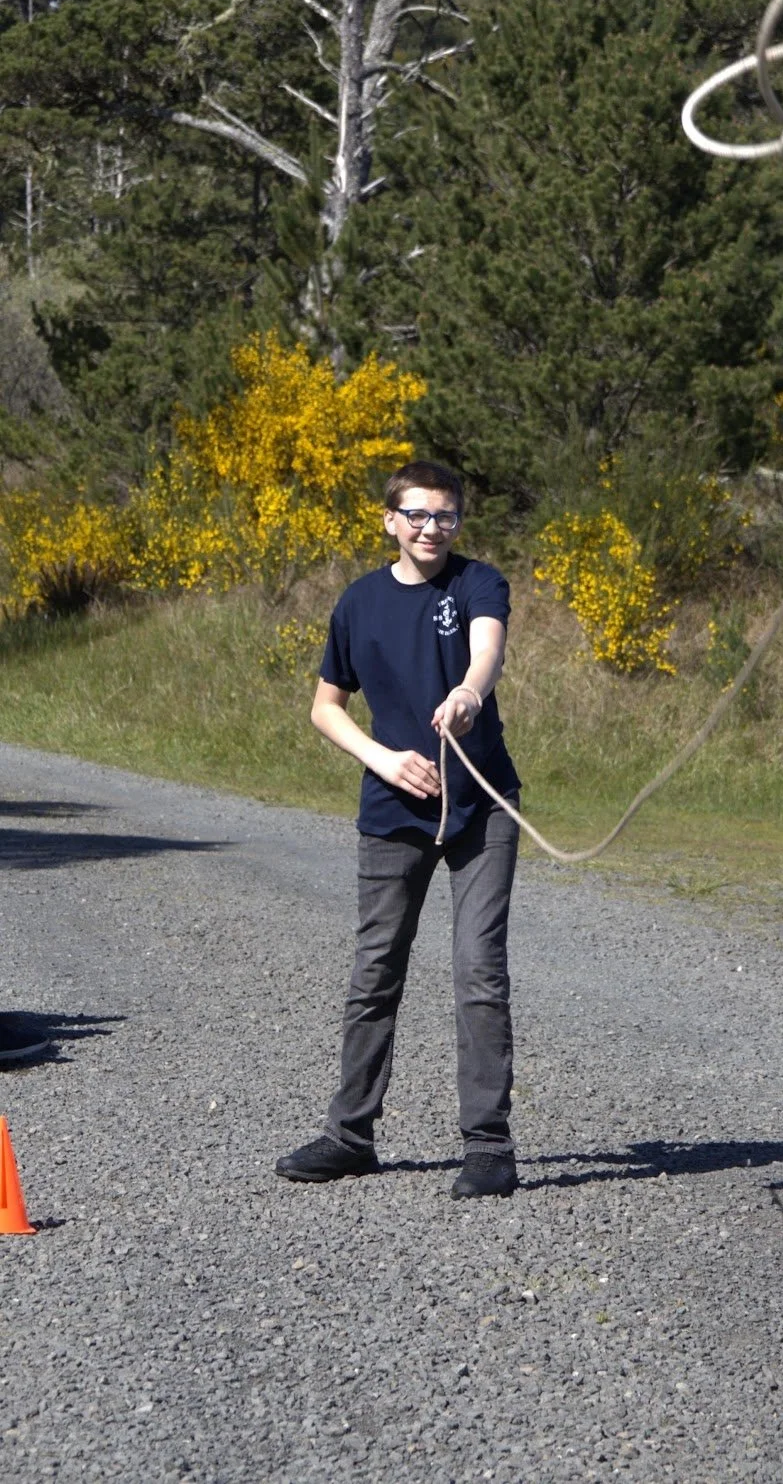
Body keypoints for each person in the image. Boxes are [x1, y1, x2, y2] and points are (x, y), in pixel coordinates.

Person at [276, 460, 523, 1199]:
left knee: (479, 971)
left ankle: (488, 1146)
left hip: (482, 807)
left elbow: (489, 650)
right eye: (416, 514)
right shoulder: (357, 603)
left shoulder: (477, 583)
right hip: (394, 812)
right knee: (375, 969)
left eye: (444, 516)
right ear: (389, 519)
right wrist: (384, 761)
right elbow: (326, 707)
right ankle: (350, 1136)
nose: (430, 527)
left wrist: (469, 695)